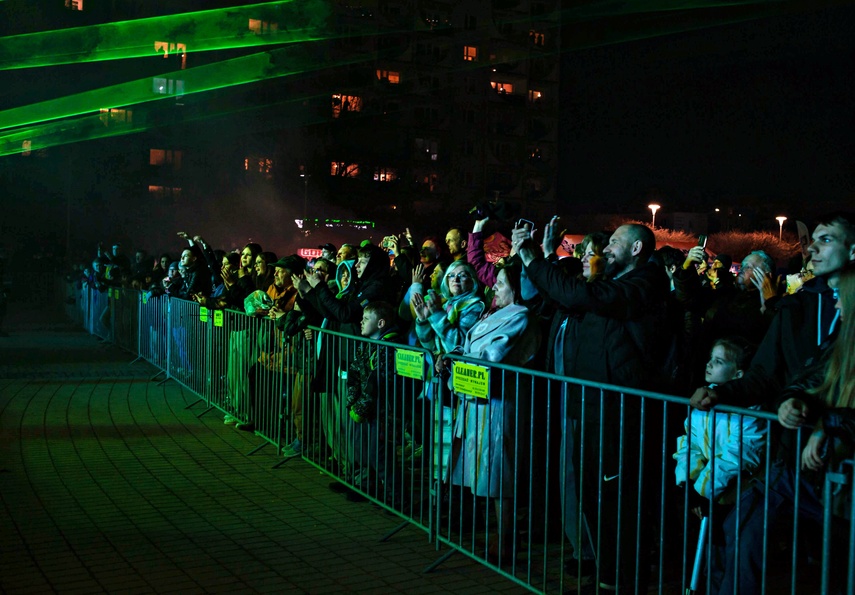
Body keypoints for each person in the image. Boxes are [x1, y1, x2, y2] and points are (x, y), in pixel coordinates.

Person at [515, 218, 669, 592]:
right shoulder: (611, 284)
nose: (605, 248)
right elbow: (565, 295)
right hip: (591, 408)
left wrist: (534, 258)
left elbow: (582, 297)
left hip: (619, 414)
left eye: (614, 241)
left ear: (635, 249)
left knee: (618, 504)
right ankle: (606, 578)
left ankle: (623, 581)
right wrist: (543, 258)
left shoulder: (644, 284)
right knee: (593, 500)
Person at [716, 265, 855, 595]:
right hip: (810, 474)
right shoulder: (841, 341)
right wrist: (793, 401)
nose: (835, 306)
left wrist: (828, 424)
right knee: (741, 526)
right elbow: (807, 379)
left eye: (842, 297)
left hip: (841, 481)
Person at [691, 212, 855, 412]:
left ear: (853, 250)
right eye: (813, 240)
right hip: (797, 435)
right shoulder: (795, 307)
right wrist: (722, 393)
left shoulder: (784, 305)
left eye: (826, 239)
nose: (812, 248)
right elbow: (765, 372)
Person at [445, 263, 541, 565]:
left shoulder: (520, 317)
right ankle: (497, 533)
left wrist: (460, 358)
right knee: (485, 469)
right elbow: (470, 346)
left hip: (502, 404)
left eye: (500, 283)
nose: (494, 288)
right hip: (477, 400)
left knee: (500, 470)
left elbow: (493, 356)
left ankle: (507, 537)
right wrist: (452, 358)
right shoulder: (496, 314)